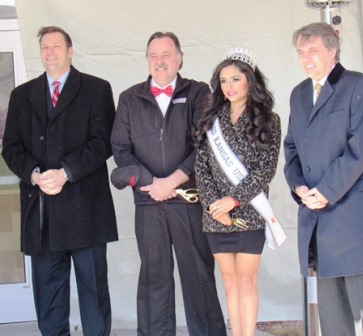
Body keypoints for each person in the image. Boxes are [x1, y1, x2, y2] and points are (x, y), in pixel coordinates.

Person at [2, 26, 118, 335]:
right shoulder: (21, 95)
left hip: (86, 211)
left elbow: (102, 142)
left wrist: (66, 172)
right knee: (49, 296)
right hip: (42, 213)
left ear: (70, 51)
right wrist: (35, 175)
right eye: (44, 48)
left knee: (94, 292)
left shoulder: (96, 89)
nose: (49, 52)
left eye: (56, 46)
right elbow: (10, 148)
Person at [110, 32, 226, 336]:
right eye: (153, 55)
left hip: (189, 200)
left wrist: (173, 182)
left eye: (166, 54)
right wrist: (151, 183)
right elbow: (121, 150)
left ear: (180, 58)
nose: (159, 61)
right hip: (149, 203)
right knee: (154, 279)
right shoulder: (130, 98)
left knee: (198, 276)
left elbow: (206, 146)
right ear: (147, 60)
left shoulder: (201, 93)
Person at [284, 22, 363, 335]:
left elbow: (362, 148)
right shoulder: (299, 94)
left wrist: (325, 191)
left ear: (333, 50)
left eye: (312, 50)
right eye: (301, 52)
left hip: (352, 215)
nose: (305, 58)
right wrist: (298, 186)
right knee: (331, 316)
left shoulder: (359, 86)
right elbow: (291, 148)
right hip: (317, 217)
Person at [194, 48, 281, 336]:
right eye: (223, 81)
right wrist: (213, 206)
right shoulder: (210, 120)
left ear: (250, 81)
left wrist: (233, 200)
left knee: (246, 281)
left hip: (249, 212)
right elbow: (202, 168)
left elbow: (266, 170)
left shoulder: (268, 120)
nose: (228, 87)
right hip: (216, 216)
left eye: (235, 79)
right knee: (229, 282)